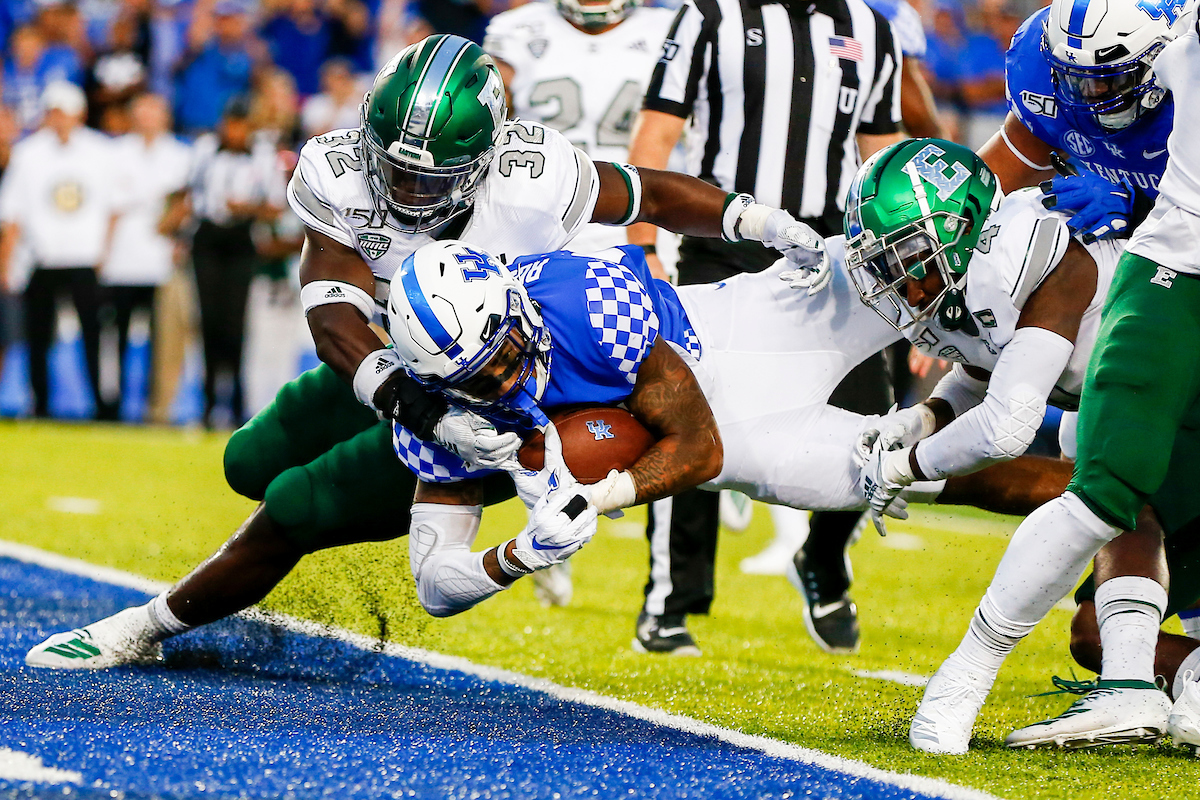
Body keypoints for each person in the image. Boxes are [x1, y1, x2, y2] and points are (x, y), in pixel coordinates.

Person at [22, 33, 828, 669]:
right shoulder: (336, 170)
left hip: (491, 388)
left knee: (297, 506)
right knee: (244, 461)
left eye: (430, 175)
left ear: (486, 155)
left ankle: (144, 626)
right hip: (385, 356)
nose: (407, 190)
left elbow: (650, 192)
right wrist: (410, 403)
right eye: (394, 171)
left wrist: (754, 221)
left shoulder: (533, 174)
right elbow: (334, 310)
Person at [909, 7, 1200, 755]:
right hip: (1151, 284)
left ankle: (980, 677)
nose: (1089, 94)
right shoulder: (1054, 72)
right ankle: (1140, 682)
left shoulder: (1179, 64)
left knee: (1121, 481)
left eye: (1108, 76)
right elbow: (980, 184)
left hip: (1166, 270)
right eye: (1076, 75)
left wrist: (1134, 208)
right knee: (1112, 491)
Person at [625, 0, 904, 655]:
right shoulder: (709, 16)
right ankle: (672, 600)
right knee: (687, 414)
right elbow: (656, 134)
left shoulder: (870, 27)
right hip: (724, 242)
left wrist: (908, 292)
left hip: (834, 255)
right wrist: (640, 247)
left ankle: (824, 560)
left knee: (877, 425)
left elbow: (886, 158)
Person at [483, 0, 676, 254]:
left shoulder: (668, 28)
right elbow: (489, 126)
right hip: (538, 211)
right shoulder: (517, 28)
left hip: (639, 212)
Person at [0, 81, 117, 419]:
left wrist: (103, 254)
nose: (58, 119)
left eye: (63, 112)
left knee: (94, 336)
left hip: (84, 257)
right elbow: (12, 214)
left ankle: (102, 404)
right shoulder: (28, 153)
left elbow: (112, 208)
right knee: (38, 337)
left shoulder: (100, 151)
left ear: (78, 114)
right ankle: (40, 404)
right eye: (53, 112)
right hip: (44, 258)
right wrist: (7, 261)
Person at [171, 95, 285, 427]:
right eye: (230, 124)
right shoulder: (205, 149)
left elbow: (276, 206)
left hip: (240, 238)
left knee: (235, 322)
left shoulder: (264, 157)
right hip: (206, 237)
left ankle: (235, 400)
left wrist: (246, 208)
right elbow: (188, 193)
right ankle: (207, 402)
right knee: (208, 320)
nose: (234, 132)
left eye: (241, 125)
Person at [100, 93, 192, 421]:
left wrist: (172, 230)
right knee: (117, 337)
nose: (147, 118)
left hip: (161, 260)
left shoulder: (181, 154)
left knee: (163, 341)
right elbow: (107, 209)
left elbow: (186, 203)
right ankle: (114, 403)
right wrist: (103, 253)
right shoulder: (116, 152)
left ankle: (158, 407)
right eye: (141, 111)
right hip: (121, 260)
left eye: (154, 111)